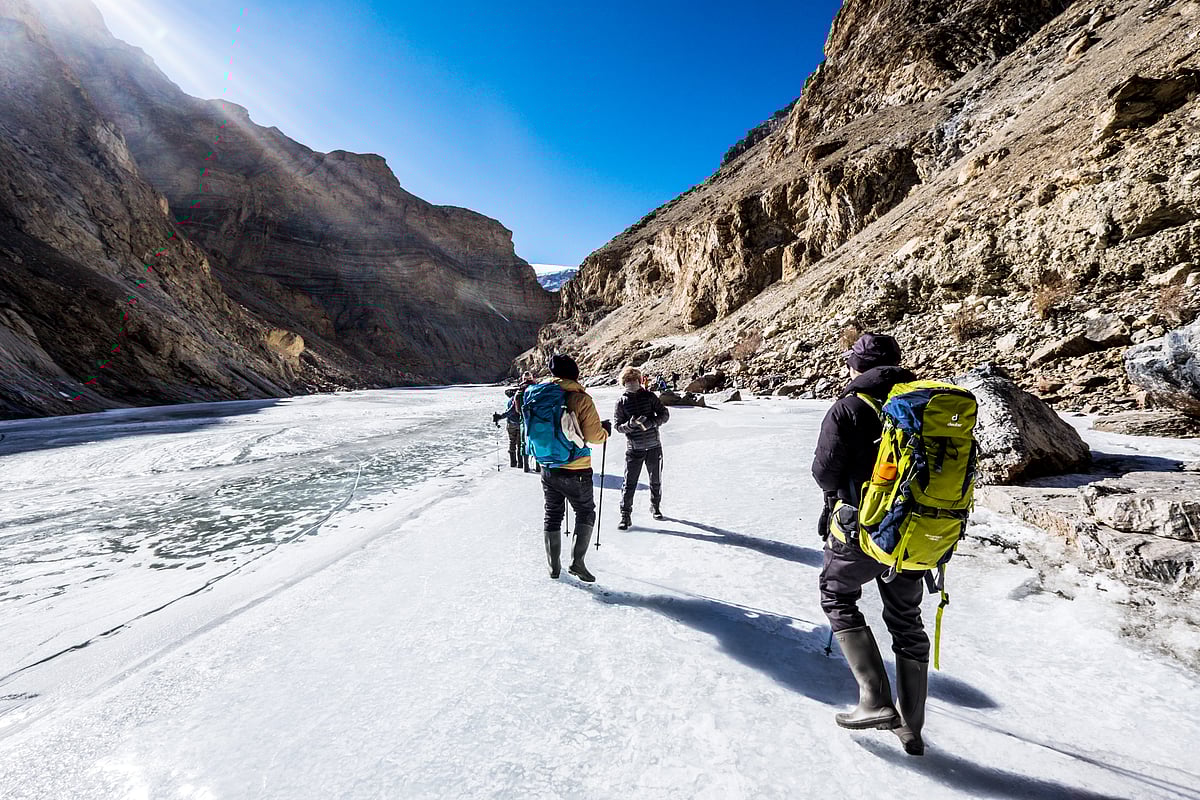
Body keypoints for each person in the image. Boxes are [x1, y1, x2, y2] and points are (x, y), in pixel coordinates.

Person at [812, 332, 929, 756]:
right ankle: (912, 727)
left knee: (837, 593)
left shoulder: (849, 408)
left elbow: (824, 474)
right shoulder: (923, 407)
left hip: (862, 529)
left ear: (857, 366)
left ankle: (874, 700)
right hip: (913, 532)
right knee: (906, 617)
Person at [533, 354, 610, 582]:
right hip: (576, 468)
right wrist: (605, 431)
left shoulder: (540, 395)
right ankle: (577, 563)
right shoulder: (580, 398)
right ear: (575, 373)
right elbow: (594, 437)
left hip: (547, 466)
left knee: (552, 514)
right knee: (585, 511)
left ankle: (553, 567)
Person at [613, 366, 670, 530]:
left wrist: (652, 422)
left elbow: (664, 414)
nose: (631, 383)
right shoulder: (621, 402)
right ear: (624, 383)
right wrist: (630, 425)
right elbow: (617, 426)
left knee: (655, 480)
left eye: (634, 380)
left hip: (653, 446)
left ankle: (656, 506)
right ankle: (625, 515)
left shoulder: (650, 397)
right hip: (634, 448)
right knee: (629, 482)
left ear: (640, 380)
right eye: (628, 381)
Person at [491, 390, 523, 468]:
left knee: (512, 442)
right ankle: (520, 464)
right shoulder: (520, 398)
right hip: (520, 423)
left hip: (511, 423)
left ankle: (513, 463)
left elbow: (510, 411)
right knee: (520, 444)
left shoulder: (511, 400)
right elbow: (512, 410)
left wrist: (501, 416)